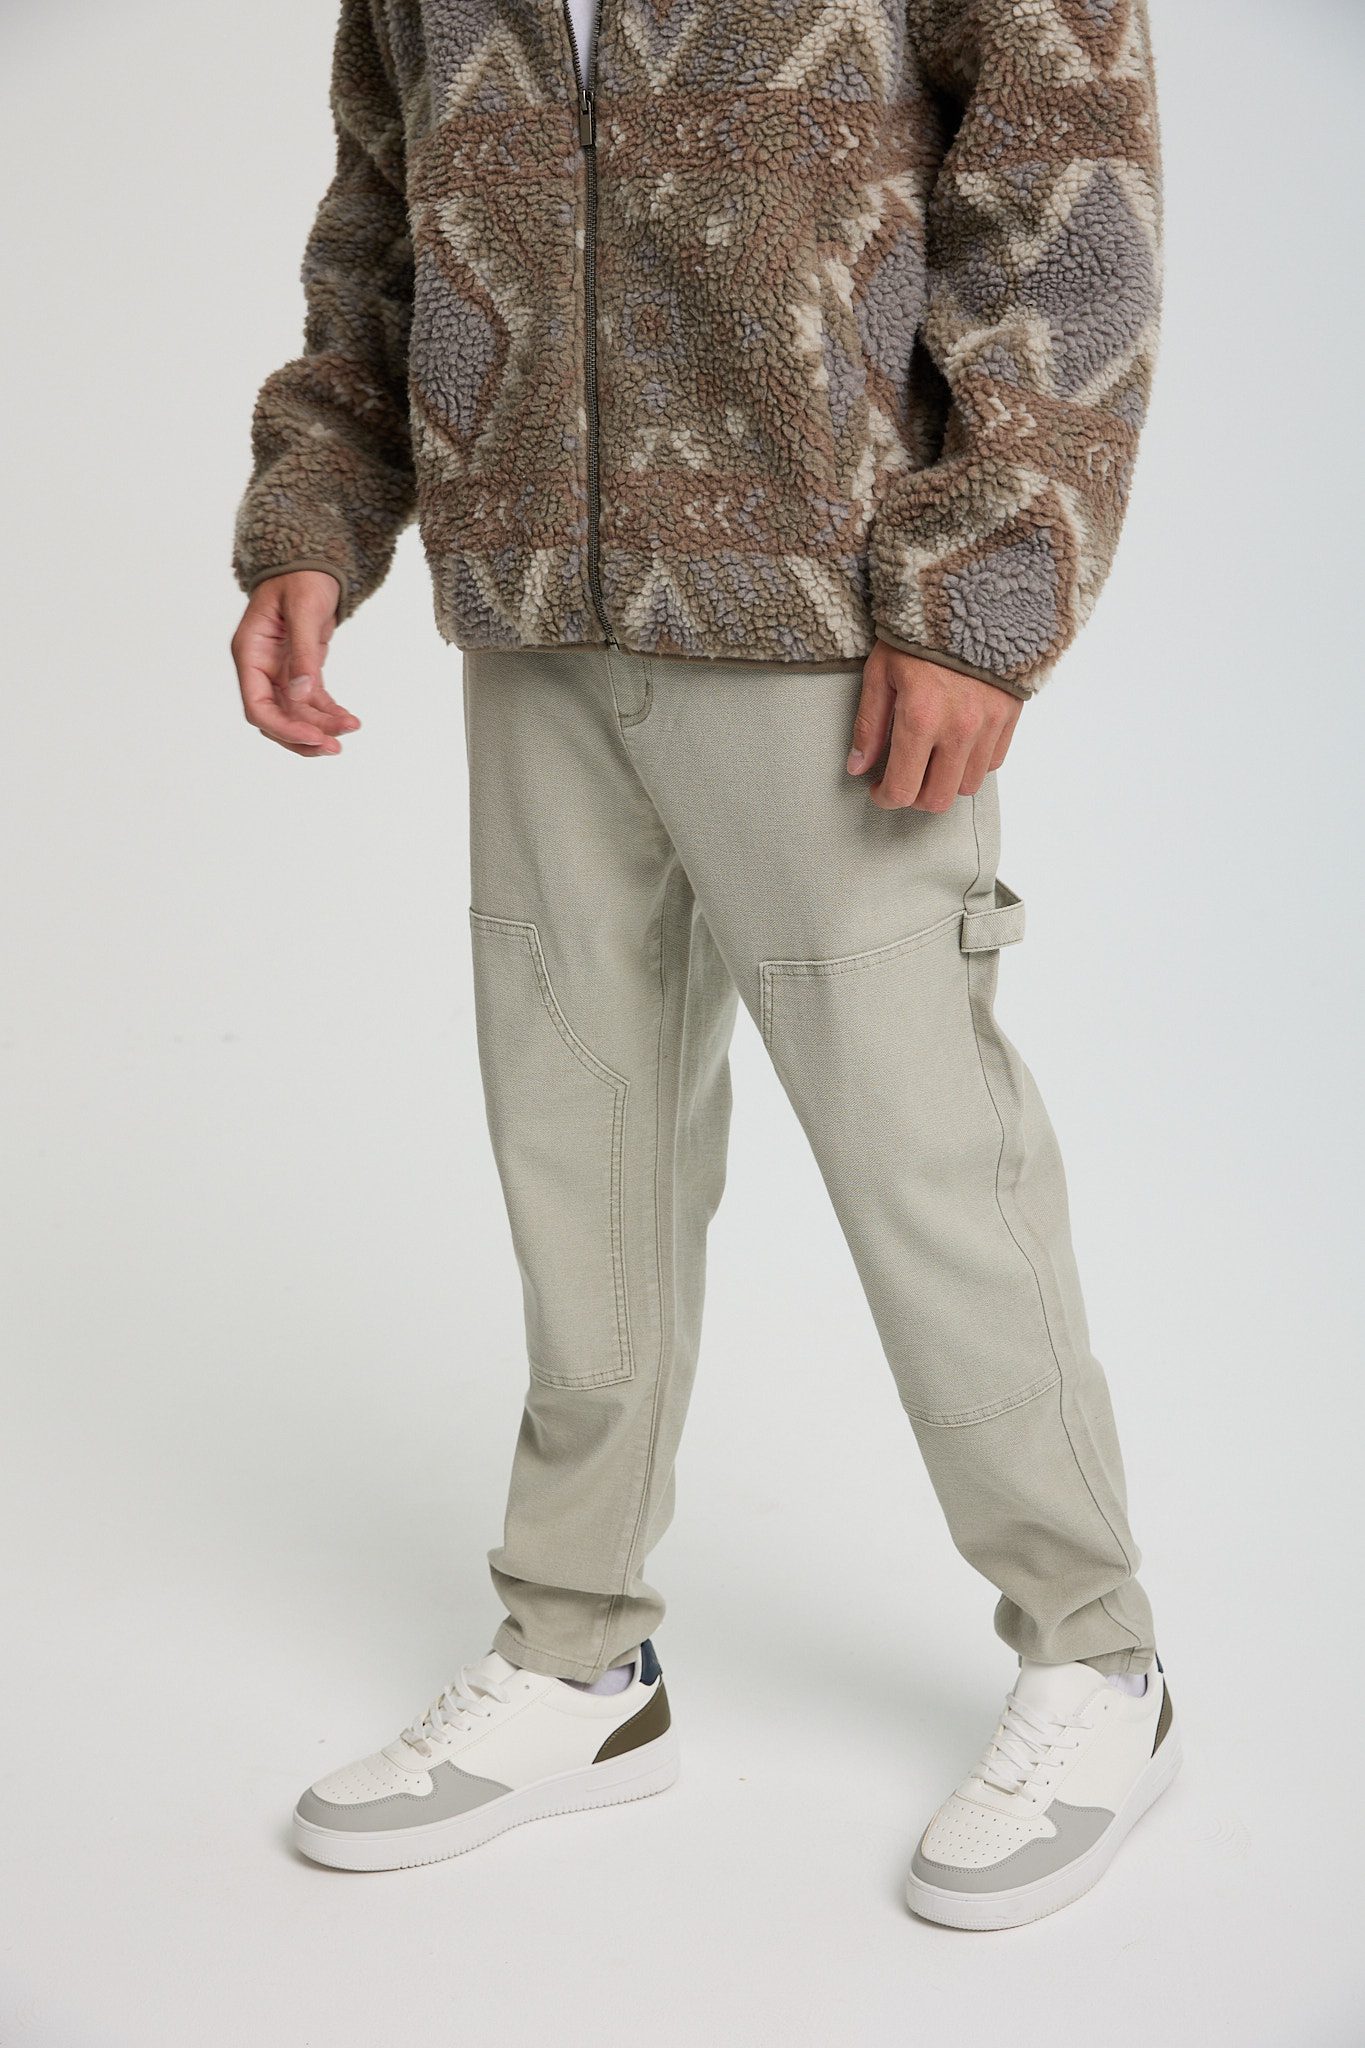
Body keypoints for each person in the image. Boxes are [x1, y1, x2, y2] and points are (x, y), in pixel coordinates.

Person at [230, 0, 1177, 1927]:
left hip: (833, 628)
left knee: (922, 1153)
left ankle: (1098, 1658)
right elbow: (380, 224)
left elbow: (1065, 219)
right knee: (573, 1151)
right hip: (534, 614)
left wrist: (986, 588)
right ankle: (577, 1653)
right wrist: (314, 511)